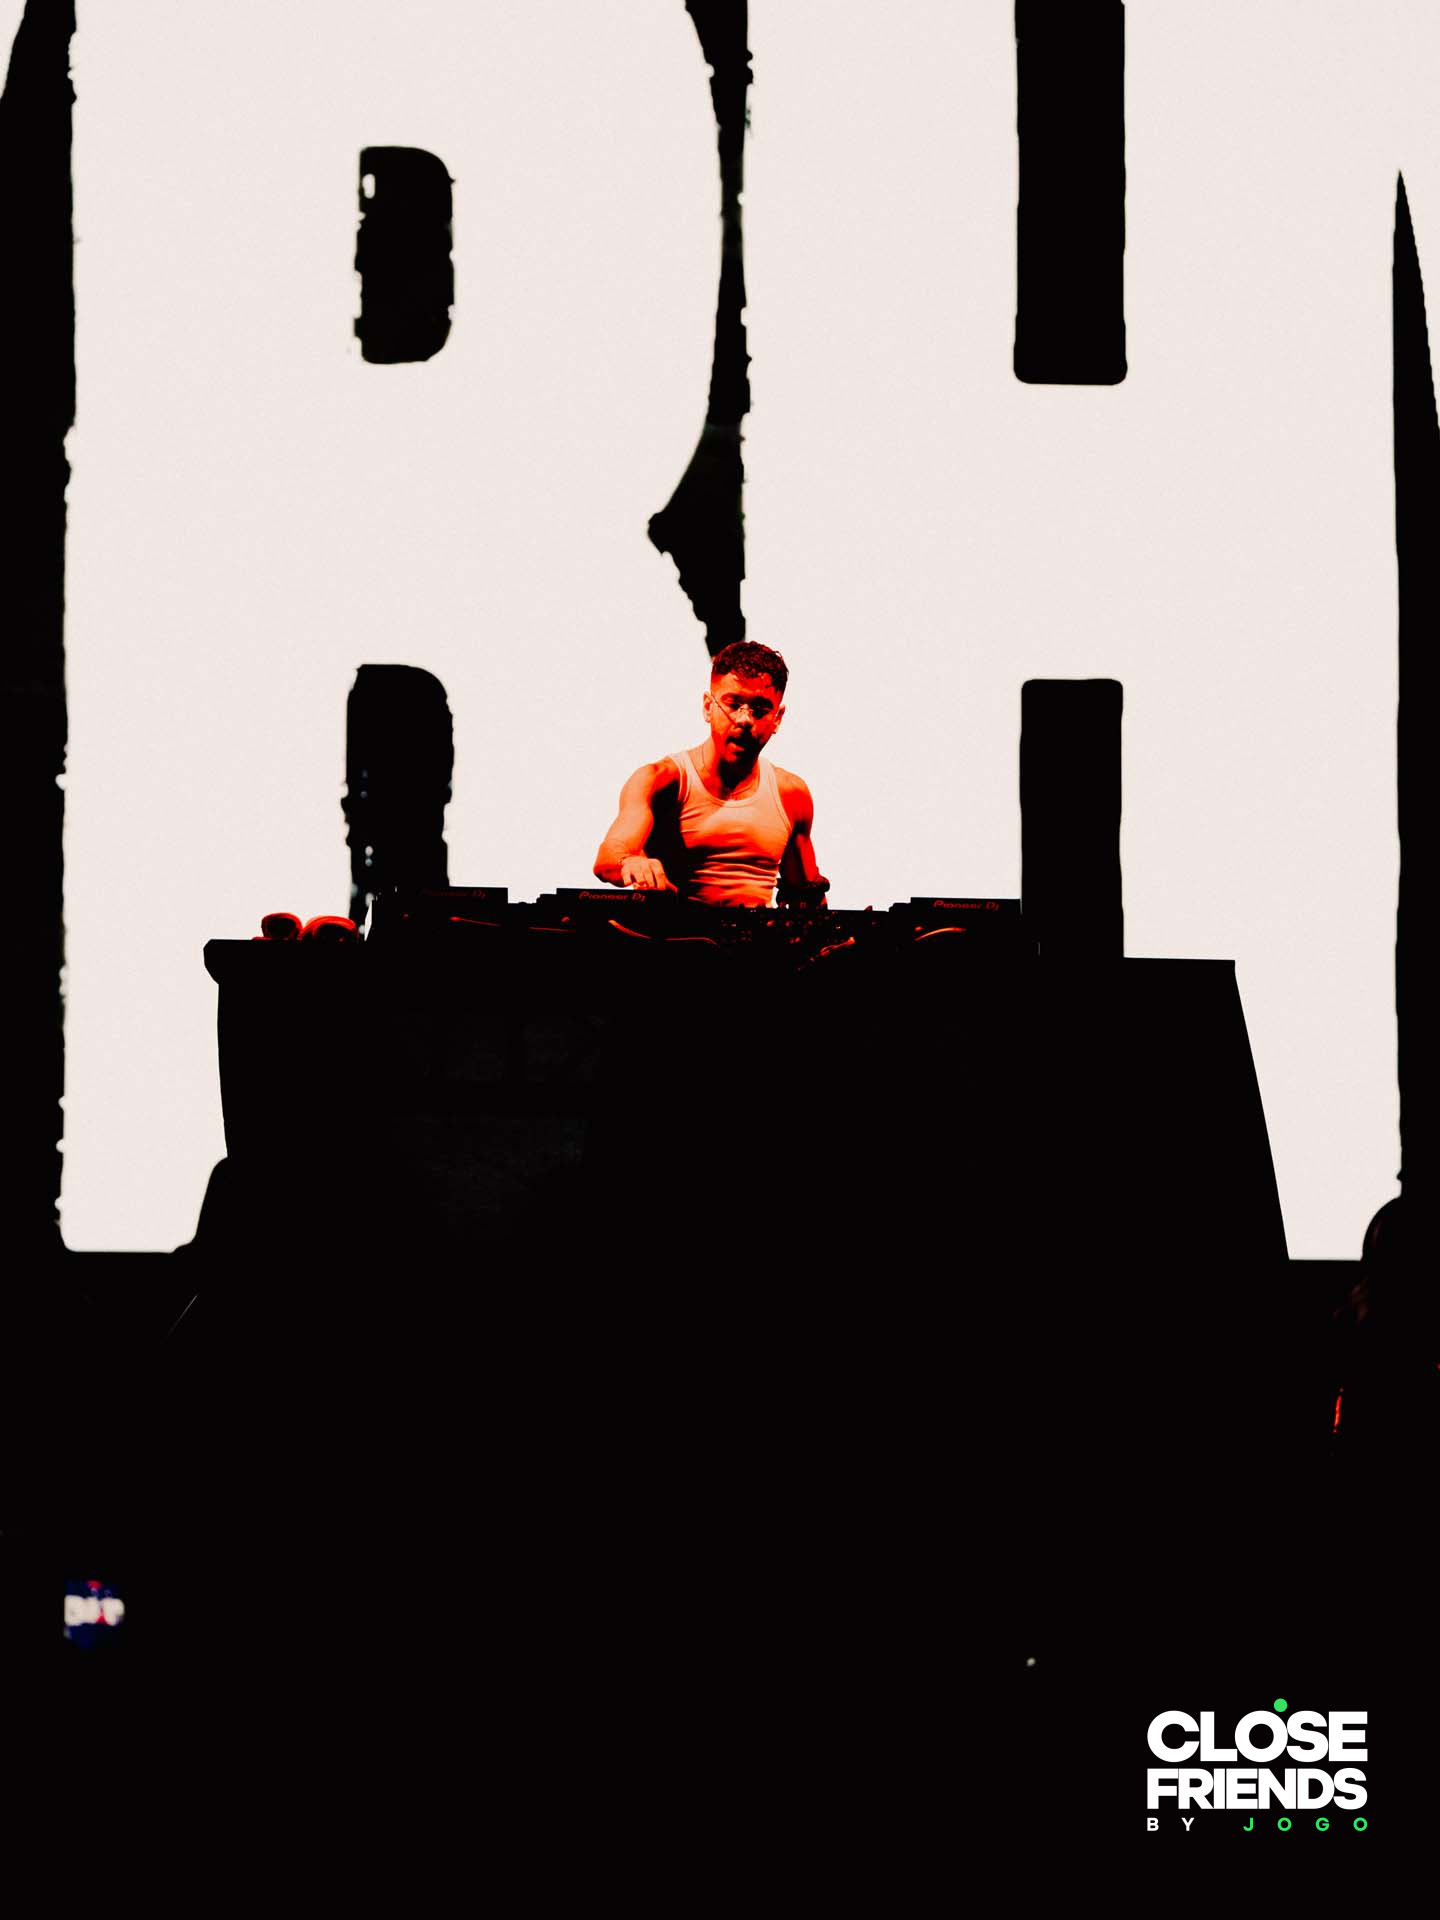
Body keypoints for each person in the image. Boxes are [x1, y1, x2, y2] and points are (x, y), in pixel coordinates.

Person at [593, 641, 828, 907]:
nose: (744, 720)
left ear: (777, 718)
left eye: (760, 710)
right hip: (677, 932)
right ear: (708, 707)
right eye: (733, 704)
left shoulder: (792, 794)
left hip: (758, 934)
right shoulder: (660, 780)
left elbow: (808, 898)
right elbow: (608, 857)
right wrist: (629, 862)